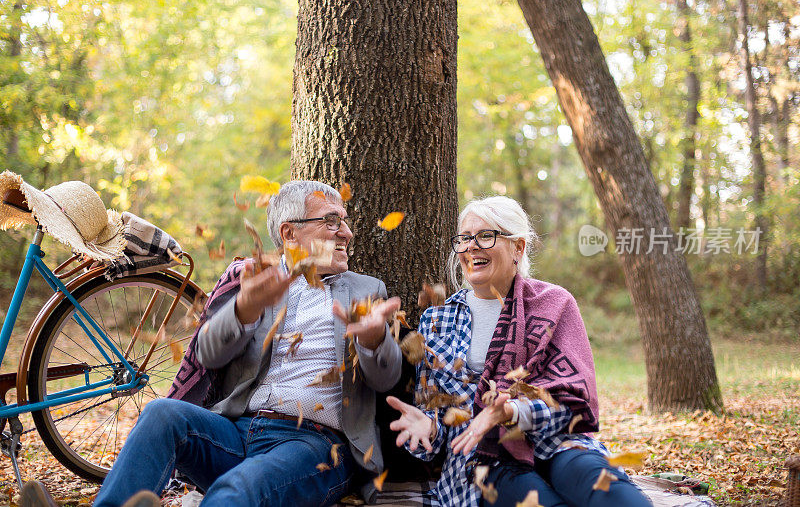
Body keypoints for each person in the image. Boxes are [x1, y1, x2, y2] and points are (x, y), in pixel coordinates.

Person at [22, 180, 403, 507]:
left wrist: (373, 340)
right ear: (290, 233)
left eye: (345, 222)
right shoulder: (258, 281)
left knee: (238, 489)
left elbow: (387, 379)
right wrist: (243, 310)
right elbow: (207, 354)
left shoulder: (367, 290)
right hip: (238, 431)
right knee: (161, 414)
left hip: (316, 447)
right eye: (333, 221)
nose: (347, 233)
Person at [387, 196, 651, 507]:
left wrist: (512, 411)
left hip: (560, 444)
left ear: (518, 248)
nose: (471, 246)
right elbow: (438, 423)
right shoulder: (436, 321)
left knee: (618, 497)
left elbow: (575, 399)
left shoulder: (555, 303)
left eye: (486, 235)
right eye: (464, 238)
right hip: (486, 459)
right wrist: (430, 428)